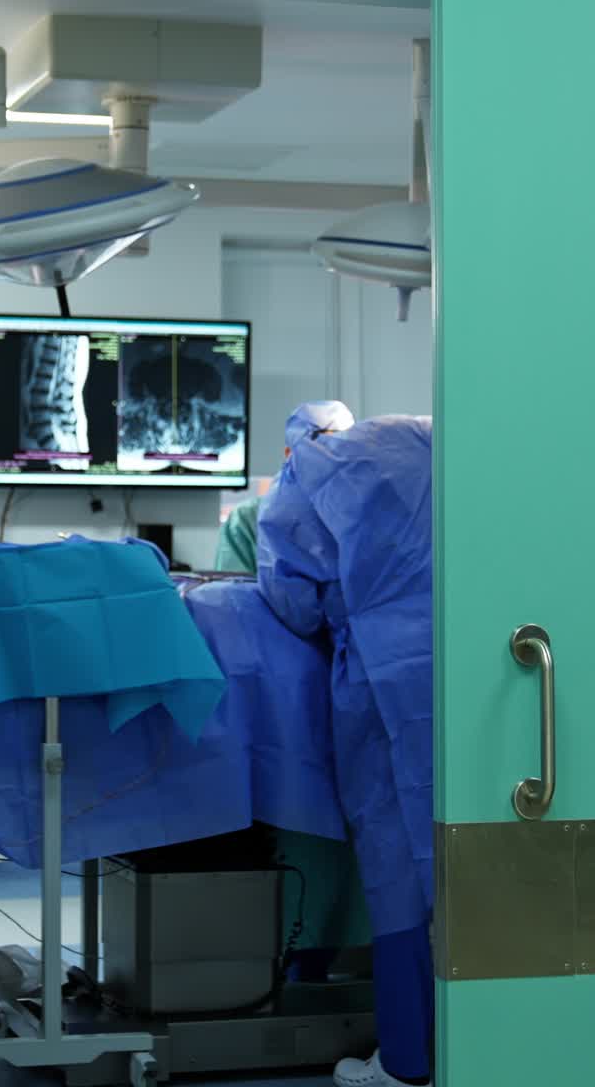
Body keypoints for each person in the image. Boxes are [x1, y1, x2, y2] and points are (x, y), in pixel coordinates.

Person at [258, 407, 434, 1087]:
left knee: (399, 872)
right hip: (478, 665)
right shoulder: (426, 434)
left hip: (388, 686)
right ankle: (486, 1039)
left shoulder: (307, 472)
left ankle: (407, 1062)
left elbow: (293, 602)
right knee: (474, 854)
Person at [213, 402, 356, 575]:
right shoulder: (248, 519)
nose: (331, 461)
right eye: (320, 450)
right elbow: (233, 592)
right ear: (290, 454)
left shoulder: (361, 516)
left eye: (341, 451)